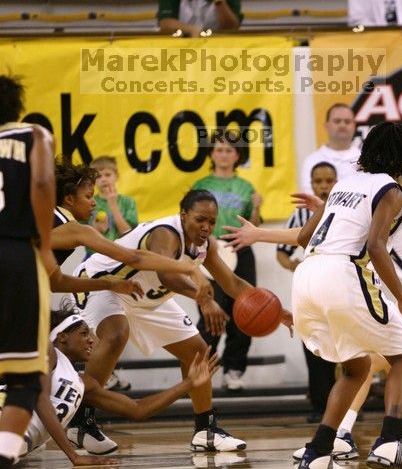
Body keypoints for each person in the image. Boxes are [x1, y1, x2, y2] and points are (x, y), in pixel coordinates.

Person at [224, 122, 402, 469]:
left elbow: (305, 237)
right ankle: (389, 441)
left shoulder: (342, 186)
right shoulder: (392, 191)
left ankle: (319, 452)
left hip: (307, 275)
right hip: (343, 273)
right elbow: (375, 247)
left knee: (355, 368)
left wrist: (260, 234)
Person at [72, 189, 292, 453]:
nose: (206, 227)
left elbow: (231, 282)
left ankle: (205, 430)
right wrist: (204, 300)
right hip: (106, 284)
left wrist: (276, 311)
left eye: (211, 221)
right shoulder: (165, 233)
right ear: (183, 214)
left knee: (198, 352)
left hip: (147, 297)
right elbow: (166, 275)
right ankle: (81, 421)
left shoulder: (206, 245)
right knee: (117, 333)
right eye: (200, 219)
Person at [294, 195, 402, 461]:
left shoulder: (383, 213)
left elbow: (325, 240)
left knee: (368, 361)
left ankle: (339, 435)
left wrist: (262, 234)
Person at [50, 158, 201, 455]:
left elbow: (55, 282)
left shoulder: (43, 222)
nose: (94, 203)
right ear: (69, 199)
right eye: (88, 196)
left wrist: (108, 283)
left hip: (21, 296)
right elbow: (136, 259)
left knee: (46, 376)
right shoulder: (74, 230)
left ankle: (76, 426)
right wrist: (189, 270)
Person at [16, 305, 218, 464]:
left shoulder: (84, 383)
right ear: (62, 337)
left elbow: (138, 410)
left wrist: (188, 384)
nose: (92, 341)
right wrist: (74, 456)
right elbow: (42, 400)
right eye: (84, 334)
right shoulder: (48, 354)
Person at [0, 74, 57, 469]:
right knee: (24, 379)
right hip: (16, 256)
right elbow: (40, 184)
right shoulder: (32, 134)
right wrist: (44, 244)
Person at [192, 129, 263, 391]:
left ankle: (234, 370)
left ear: (237, 155)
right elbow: (189, 221)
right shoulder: (201, 185)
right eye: (219, 149)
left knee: (246, 313)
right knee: (210, 313)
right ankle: (202, 369)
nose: (223, 154)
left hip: (240, 251)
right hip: (210, 252)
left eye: (229, 150)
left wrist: (256, 207)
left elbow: (253, 228)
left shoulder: (246, 187)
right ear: (211, 153)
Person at [277, 162, 337, 421]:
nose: (324, 186)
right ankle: (319, 405)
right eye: (318, 181)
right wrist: (293, 265)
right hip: (309, 290)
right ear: (311, 184)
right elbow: (281, 250)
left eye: (329, 180)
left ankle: (345, 406)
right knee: (314, 346)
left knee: (342, 349)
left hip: (337, 288)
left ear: (336, 181)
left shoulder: (345, 210)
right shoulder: (301, 215)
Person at [87, 155, 138, 391]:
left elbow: (129, 233)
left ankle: (111, 372)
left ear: (116, 176)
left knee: (120, 322)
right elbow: (82, 238)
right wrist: (96, 231)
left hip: (121, 269)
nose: (104, 179)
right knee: (98, 322)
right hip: (95, 269)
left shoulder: (126, 202)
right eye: (99, 176)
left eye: (108, 174)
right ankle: (107, 374)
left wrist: (114, 205)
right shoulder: (90, 203)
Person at [300, 104, 360, 192]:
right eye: (337, 121)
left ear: (354, 126)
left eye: (347, 121)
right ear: (326, 126)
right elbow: (309, 196)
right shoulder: (311, 161)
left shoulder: (366, 160)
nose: (342, 125)